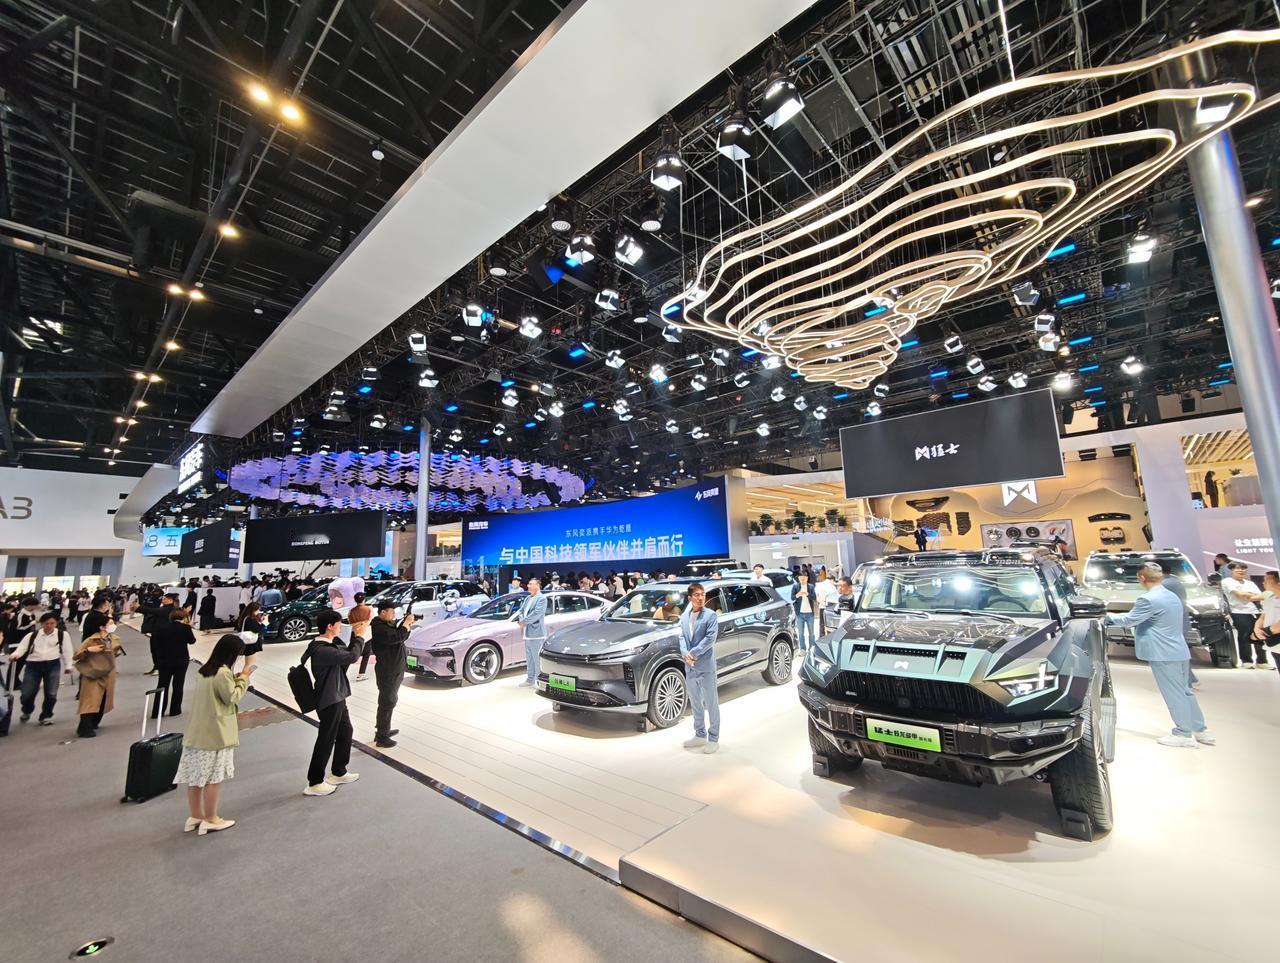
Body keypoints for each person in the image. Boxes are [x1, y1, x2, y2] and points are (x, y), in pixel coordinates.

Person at [1104, 562, 1213, 748]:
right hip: (1179, 650)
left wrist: (1106, 615)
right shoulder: (1170, 595)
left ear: (1141, 578)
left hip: (1163, 653)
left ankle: (1183, 734)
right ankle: (1200, 730)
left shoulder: (1148, 599)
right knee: (1185, 692)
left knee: (1174, 694)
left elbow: (1129, 620)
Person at [175, 634, 254, 835]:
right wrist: (244, 677)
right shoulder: (223, 673)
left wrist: (235, 679)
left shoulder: (205, 670)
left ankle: (195, 816)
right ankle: (211, 818)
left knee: (195, 777)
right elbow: (232, 697)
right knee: (213, 778)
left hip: (196, 732)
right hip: (216, 733)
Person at [303, 610, 361, 796]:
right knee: (326, 738)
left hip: (336, 696)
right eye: (338, 624)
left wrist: (356, 636)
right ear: (330, 626)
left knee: (346, 731)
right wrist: (360, 637)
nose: (340, 627)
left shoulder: (325, 645)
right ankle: (315, 782)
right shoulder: (323, 650)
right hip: (329, 699)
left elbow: (346, 653)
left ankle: (339, 771)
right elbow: (352, 657)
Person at [11, 612, 73, 725]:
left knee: (51, 692)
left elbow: (67, 650)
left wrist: (69, 665)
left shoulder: (62, 635)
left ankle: (46, 715)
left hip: (52, 664)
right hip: (33, 665)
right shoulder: (32, 635)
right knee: (27, 693)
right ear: (41, 624)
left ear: (56, 623)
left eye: (52, 623)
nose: (49, 626)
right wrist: (15, 655)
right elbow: (22, 648)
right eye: (46, 623)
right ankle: (27, 709)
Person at [680, 583, 720, 754]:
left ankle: (713, 738)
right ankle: (700, 734)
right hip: (690, 666)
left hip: (705, 666)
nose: (701, 597)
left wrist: (693, 653)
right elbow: (682, 636)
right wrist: (684, 653)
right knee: (695, 702)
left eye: (702, 594)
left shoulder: (710, 615)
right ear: (690, 598)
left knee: (711, 703)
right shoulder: (684, 616)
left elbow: (710, 638)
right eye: (697, 595)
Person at [370, 601, 413, 747]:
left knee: (390, 700)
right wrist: (405, 624)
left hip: (395, 668)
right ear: (383, 612)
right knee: (387, 701)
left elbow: (401, 636)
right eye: (392, 611)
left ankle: (384, 729)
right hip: (388, 670)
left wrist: (407, 625)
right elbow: (396, 637)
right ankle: (381, 737)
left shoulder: (386, 625)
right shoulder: (379, 628)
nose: (394, 614)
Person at [73, 616, 125, 738]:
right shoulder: (91, 640)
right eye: (110, 623)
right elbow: (76, 655)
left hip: (108, 672)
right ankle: (84, 727)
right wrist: (88, 650)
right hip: (92, 672)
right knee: (90, 700)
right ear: (102, 627)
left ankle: (94, 722)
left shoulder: (114, 639)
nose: (113, 625)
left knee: (103, 699)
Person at [1158, 561, 1199, 688]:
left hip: (1171, 624)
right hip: (1179, 623)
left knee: (1173, 654)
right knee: (1178, 652)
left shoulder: (1165, 584)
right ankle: (1187, 679)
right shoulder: (1174, 581)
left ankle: (1184, 681)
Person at [152, 608, 197, 717]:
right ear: (184, 617)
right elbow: (192, 641)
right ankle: (175, 710)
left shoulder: (161, 627)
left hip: (165, 660)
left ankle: (158, 711)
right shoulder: (185, 628)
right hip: (181, 660)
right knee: (178, 685)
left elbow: (155, 644)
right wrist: (189, 627)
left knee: (162, 685)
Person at [1220, 563, 1267, 668]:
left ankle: (1262, 661)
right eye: (1238, 568)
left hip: (1256, 611)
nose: (1241, 570)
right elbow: (1240, 595)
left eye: (1243, 568)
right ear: (1232, 570)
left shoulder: (1250, 583)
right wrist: (1251, 595)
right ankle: (1246, 660)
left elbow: (1261, 596)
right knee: (1244, 635)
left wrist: (1247, 596)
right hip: (1239, 611)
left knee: (1260, 634)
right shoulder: (1227, 581)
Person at [515, 578, 547, 687]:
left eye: (531, 584)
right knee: (529, 659)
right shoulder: (528, 598)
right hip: (526, 633)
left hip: (536, 633)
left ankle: (538, 681)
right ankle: (530, 679)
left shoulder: (542, 598)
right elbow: (521, 611)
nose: (528, 586)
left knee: (537, 659)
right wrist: (522, 620)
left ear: (537, 585)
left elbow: (537, 614)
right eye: (528, 584)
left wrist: (524, 622)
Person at [1251, 570, 1280, 669]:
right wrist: (1257, 629)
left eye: (1267, 579)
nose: (1264, 582)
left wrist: (1265, 632)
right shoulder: (1270, 598)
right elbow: (1264, 615)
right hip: (1274, 643)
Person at [350, 593, 374, 681]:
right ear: (364, 599)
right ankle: (361, 674)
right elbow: (372, 619)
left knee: (352, 653)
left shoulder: (352, 611)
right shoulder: (369, 609)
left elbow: (350, 621)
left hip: (355, 632)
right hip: (366, 633)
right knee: (366, 654)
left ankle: (343, 671)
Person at [792, 571, 817, 653]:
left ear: (807, 578)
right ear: (798, 578)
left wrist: (808, 594)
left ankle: (812, 648)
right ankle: (803, 649)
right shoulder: (795, 586)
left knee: (811, 633)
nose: (802, 580)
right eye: (801, 578)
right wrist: (797, 595)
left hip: (810, 613)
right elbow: (792, 598)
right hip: (800, 614)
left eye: (804, 578)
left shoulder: (811, 586)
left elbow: (814, 597)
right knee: (800, 633)